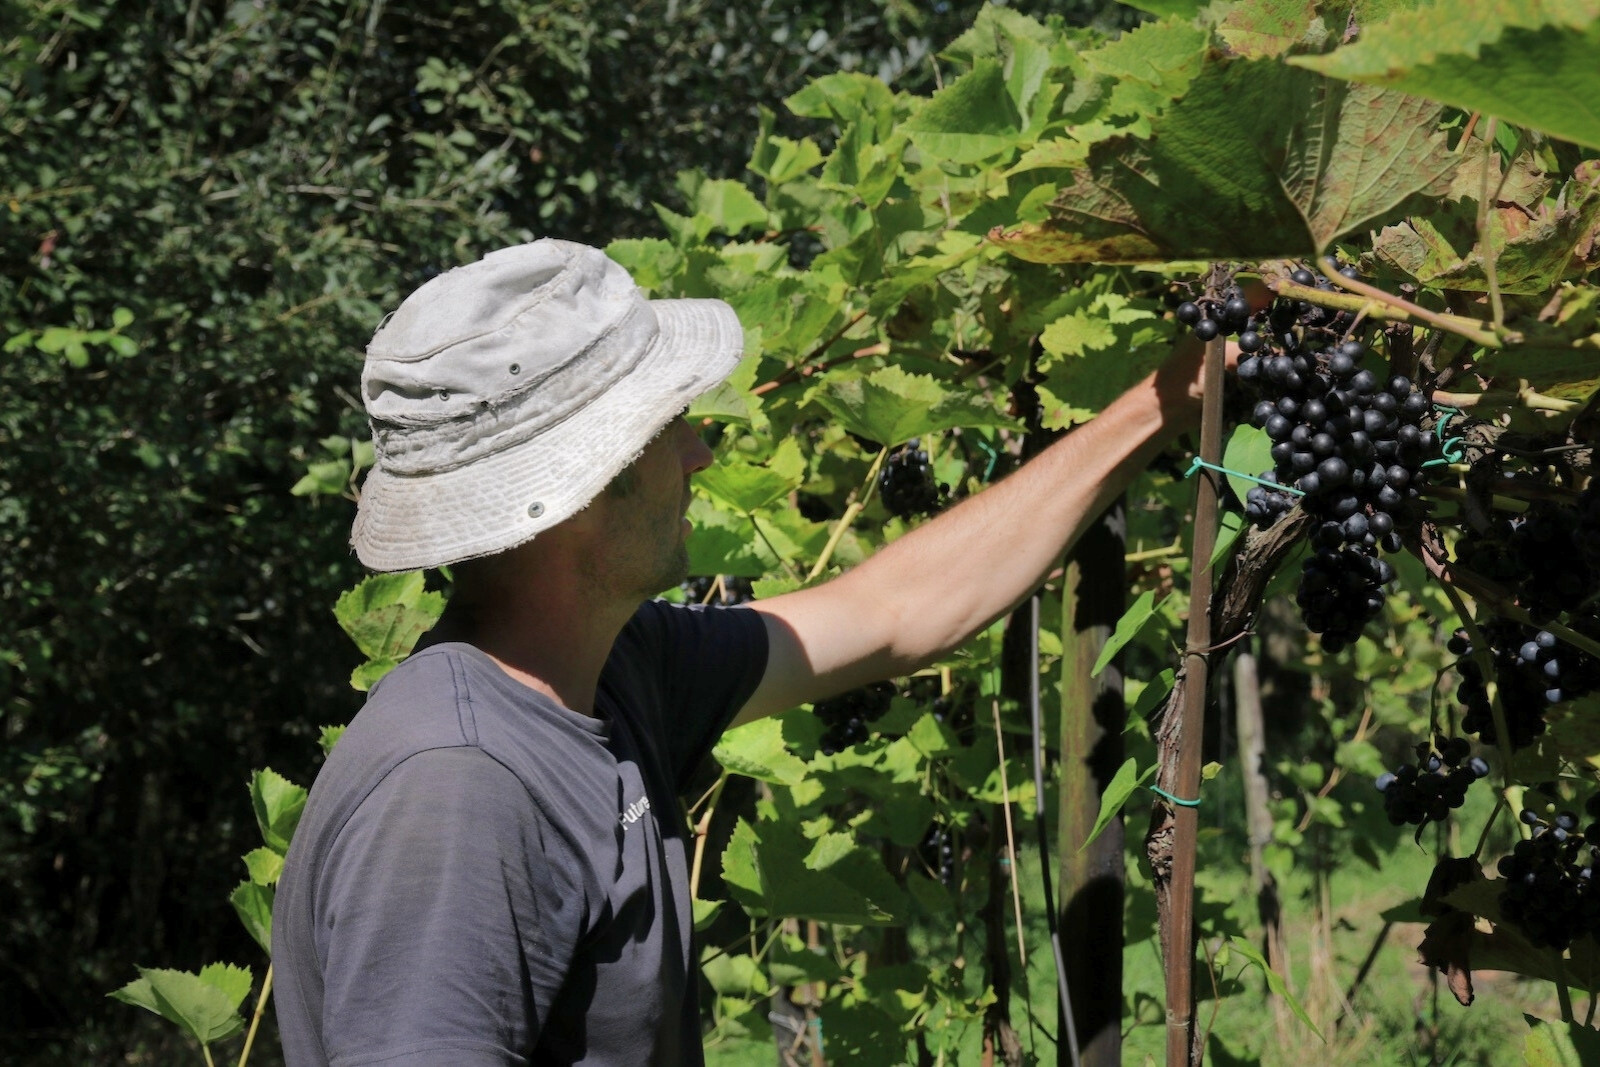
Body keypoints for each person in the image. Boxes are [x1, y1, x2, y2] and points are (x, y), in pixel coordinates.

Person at [272, 238, 1214, 1065]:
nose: (699, 454)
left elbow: (894, 610)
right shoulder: (459, 790)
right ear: (577, 491)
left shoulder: (615, 671)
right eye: (662, 428)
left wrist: (1157, 405)